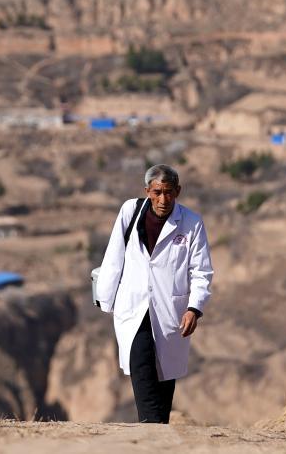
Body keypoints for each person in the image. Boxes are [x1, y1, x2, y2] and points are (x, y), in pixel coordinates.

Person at [95, 164, 214, 424]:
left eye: (169, 192)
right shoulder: (130, 211)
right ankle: (152, 429)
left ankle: (158, 430)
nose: (163, 199)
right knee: (142, 368)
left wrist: (194, 308)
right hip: (134, 309)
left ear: (178, 191)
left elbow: (201, 271)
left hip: (170, 313)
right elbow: (114, 255)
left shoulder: (191, 223)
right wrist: (105, 298)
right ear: (147, 191)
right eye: (157, 192)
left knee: (164, 380)